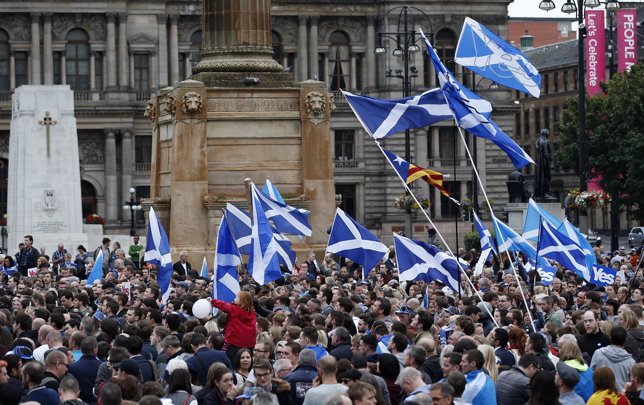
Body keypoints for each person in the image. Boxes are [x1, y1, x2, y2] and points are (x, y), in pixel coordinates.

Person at [211, 291, 256, 363]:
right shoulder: (252, 313)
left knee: (232, 366)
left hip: (235, 345)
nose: (234, 298)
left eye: (237, 297)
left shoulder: (234, 310)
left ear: (242, 301)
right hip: (249, 345)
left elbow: (224, 305)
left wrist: (212, 301)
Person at [590, 326, 635, 392]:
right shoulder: (631, 362)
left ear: (610, 338)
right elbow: (632, 384)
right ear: (626, 339)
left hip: (600, 397)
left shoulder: (598, 353)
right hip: (621, 398)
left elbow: (591, 374)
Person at [534, 128, 552, 198]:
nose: (548, 135)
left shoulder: (538, 141)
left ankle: (540, 193)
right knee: (547, 177)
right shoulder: (544, 141)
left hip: (539, 163)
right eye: (548, 134)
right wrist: (549, 164)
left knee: (540, 177)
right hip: (544, 163)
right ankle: (544, 193)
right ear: (546, 134)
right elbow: (546, 153)